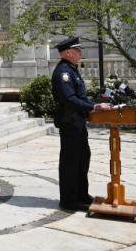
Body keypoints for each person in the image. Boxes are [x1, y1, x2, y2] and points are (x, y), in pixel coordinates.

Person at [51, 37, 112, 211]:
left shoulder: (72, 70)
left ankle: (81, 194)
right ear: (68, 53)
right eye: (77, 50)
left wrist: (94, 103)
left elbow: (80, 97)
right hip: (69, 122)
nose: (80, 53)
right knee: (71, 161)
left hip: (77, 122)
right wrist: (93, 106)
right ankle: (69, 200)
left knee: (82, 158)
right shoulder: (63, 72)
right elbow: (69, 99)